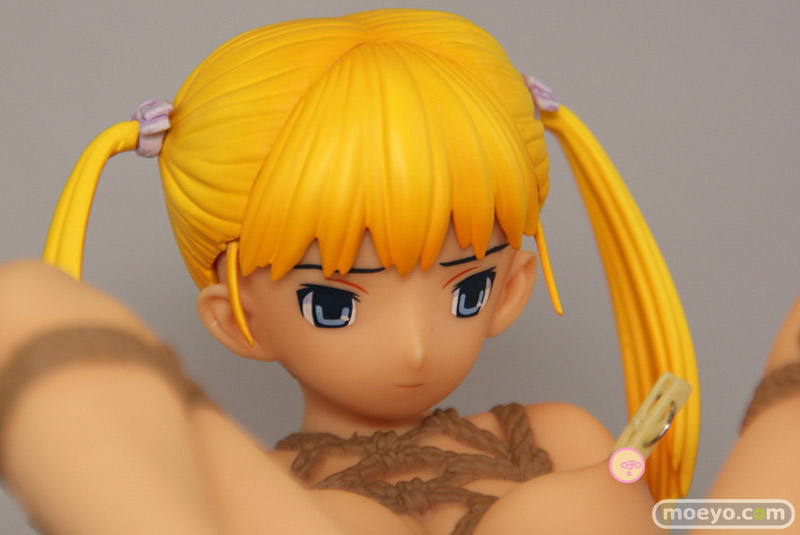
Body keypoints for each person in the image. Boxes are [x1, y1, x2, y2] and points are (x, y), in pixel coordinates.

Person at [0, 7, 736, 534]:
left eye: (467, 289)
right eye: (334, 303)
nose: (414, 345)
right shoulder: (247, 488)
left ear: (510, 287)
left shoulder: (557, 438)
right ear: (236, 320)